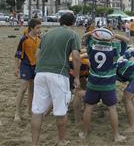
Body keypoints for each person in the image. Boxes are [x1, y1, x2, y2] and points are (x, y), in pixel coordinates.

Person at [31, 13, 81, 146]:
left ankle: (34, 143)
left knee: (37, 111)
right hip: (58, 74)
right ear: (73, 23)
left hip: (40, 73)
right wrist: (76, 77)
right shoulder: (73, 35)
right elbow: (76, 57)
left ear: (60, 21)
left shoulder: (47, 34)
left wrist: (42, 67)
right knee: (60, 111)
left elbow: (37, 54)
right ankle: (61, 141)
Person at [79, 28, 127, 142]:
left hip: (93, 83)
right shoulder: (115, 48)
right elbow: (126, 41)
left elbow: (84, 38)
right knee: (112, 109)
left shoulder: (91, 46)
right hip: (108, 84)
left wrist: (91, 33)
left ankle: (85, 133)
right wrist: (114, 36)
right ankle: (116, 136)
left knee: (89, 107)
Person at [14, 19, 41, 121]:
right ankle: (17, 113)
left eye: (40, 27)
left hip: (36, 67)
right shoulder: (24, 39)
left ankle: (28, 110)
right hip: (26, 65)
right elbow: (17, 55)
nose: (39, 30)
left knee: (32, 89)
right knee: (23, 89)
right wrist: (16, 68)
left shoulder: (40, 39)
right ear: (31, 28)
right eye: (37, 28)